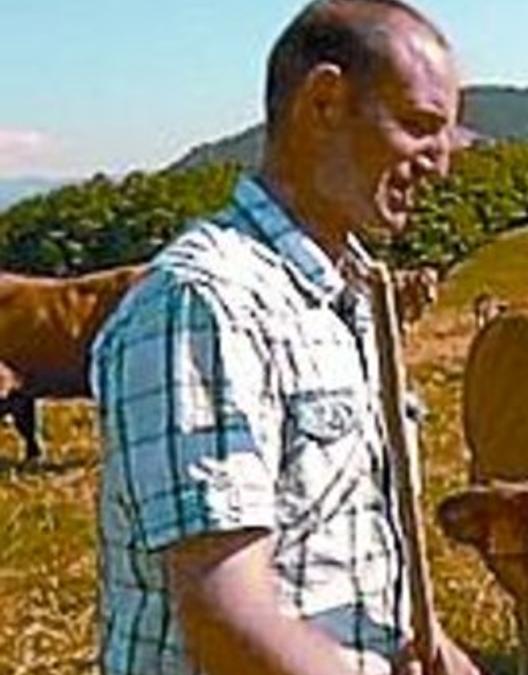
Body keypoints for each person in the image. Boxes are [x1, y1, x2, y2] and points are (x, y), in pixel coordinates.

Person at [89, 1, 478, 673]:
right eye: (419, 127)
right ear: (324, 101)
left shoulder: (354, 291)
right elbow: (227, 621)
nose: (440, 165)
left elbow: (346, 531)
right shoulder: (205, 301)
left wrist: (431, 641)